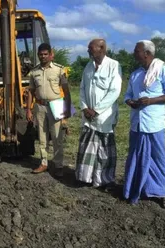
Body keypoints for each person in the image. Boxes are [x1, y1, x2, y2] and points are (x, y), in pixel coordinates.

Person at [123, 40, 165, 206]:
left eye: (137, 50)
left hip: (154, 124)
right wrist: (131, 102)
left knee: (158, 158)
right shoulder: (135, 74)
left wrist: (152, 100)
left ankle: (159, 192)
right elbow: (127, 95)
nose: (134, 53)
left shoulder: (163, 71)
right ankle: (135, 190)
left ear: (146, 53)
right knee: (135, 157)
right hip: (137, 123)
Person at [75, 39, 122, 189]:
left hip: (104, 115)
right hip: (88, 115)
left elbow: (114, 91)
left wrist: (96, 110)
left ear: (101, 48)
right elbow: (82, 89)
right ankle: (85, 177)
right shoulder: (88, 66)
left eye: (91, 48)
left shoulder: (114, 65)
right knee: (87, 147)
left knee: (104, 149)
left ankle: (104, 180)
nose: (88, 51)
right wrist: (84, 108)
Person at [26, 43, 71, 177]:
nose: (43, 57)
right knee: (42, 136)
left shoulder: (59, 70)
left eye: (46, 54)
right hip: (39, 106)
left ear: (51, 55)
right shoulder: (34, 72)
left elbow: (66, 91)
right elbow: (31, 92)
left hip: (56, 104)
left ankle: (58, 165)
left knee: (57, 136)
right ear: (38, 55)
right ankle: (44, 163)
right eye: (41, 54)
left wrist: (67, 108)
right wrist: (28, 109)